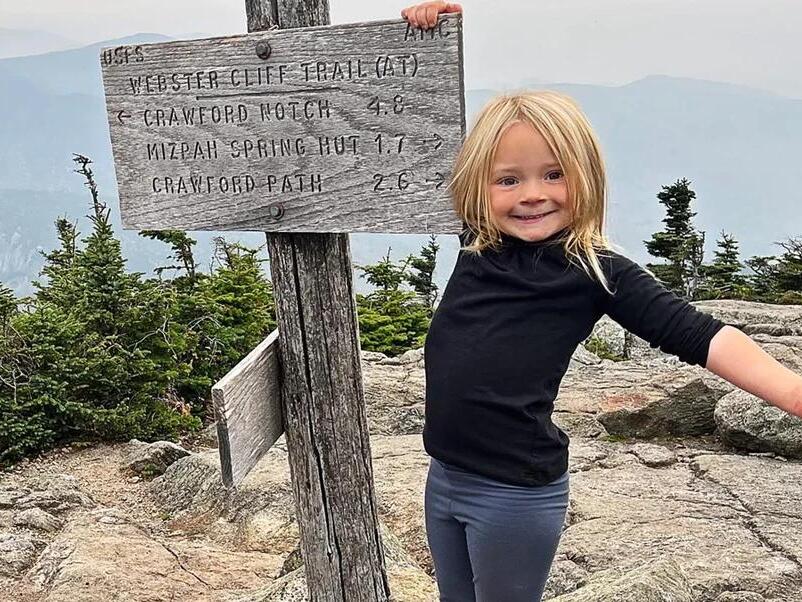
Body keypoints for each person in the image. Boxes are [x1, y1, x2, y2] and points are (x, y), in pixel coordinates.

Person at [400, 2, 802, 601]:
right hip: (444, 478)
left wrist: (793, 392)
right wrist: (421, 42)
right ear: (478, 186)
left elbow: (701, 335)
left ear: (586, 177)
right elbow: (415, 137)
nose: (532, 195)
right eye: (508, 179)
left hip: (515, 492)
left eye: (554, 175)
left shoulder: (592, 269)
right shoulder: (478, 240)